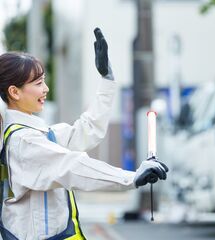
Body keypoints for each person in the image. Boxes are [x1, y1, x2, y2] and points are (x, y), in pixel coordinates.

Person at [0, 28, 168, 239]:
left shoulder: (37, 135)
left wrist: (107, 80)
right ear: (14, 92)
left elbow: (86, 130)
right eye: (38, 83)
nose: (46, 89)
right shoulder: (25, 142)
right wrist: (131, 178)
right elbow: (72, 165)